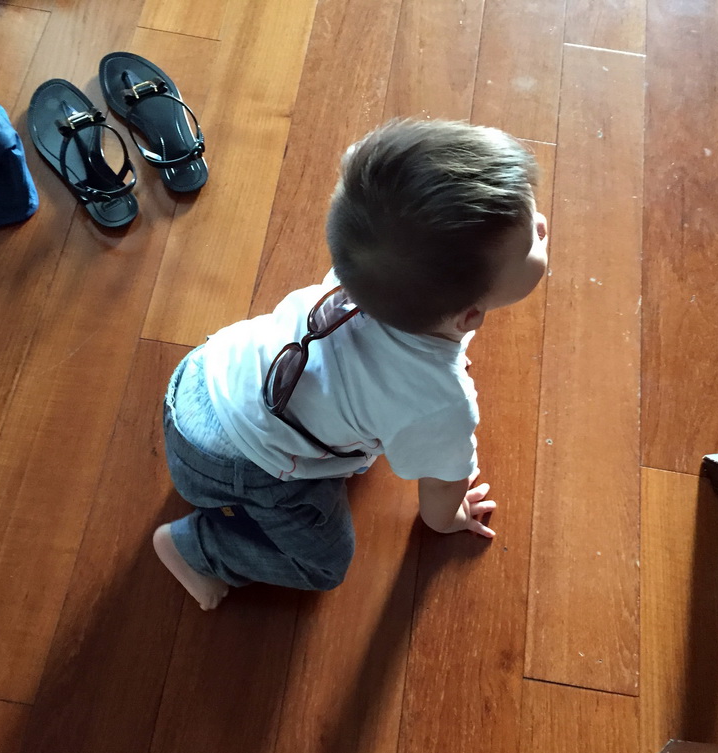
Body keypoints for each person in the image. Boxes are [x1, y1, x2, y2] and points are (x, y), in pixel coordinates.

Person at [153, 118, 549, 610]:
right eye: (534, 237)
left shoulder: (366, 270)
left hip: (202, 375)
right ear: (469, 315)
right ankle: (196, 549)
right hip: (230, 469)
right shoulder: (442, 405)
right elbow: (440, 494)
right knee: (323, 566)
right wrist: (449, 518)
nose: (543, 224)